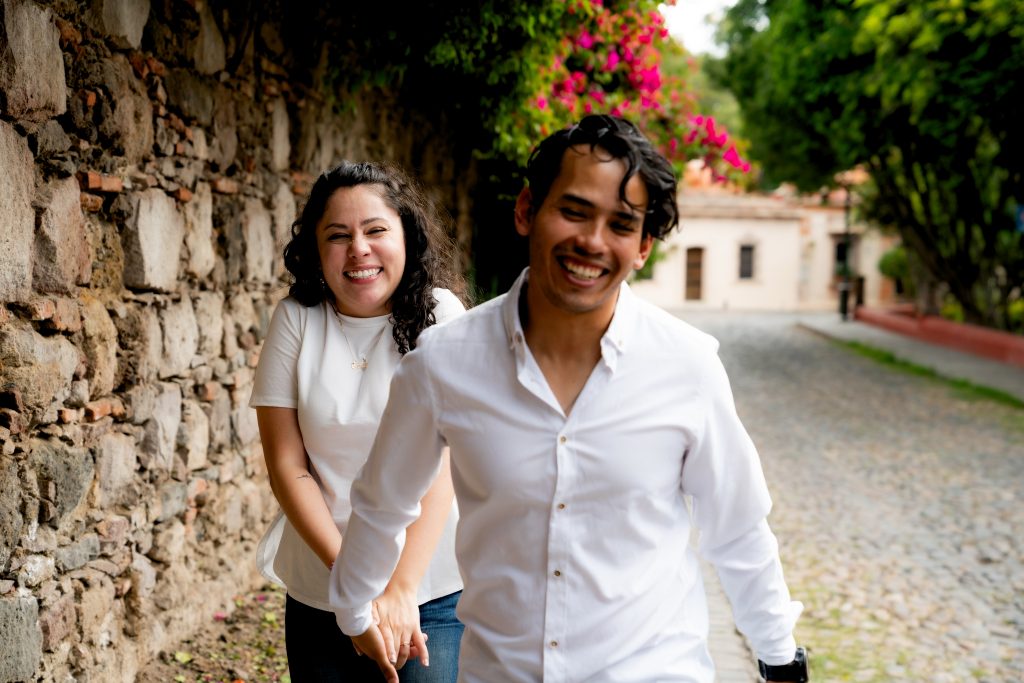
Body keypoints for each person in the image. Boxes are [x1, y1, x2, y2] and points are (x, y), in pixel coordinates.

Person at [329, 115, 808, 683]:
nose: (592, 241)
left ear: (643, 247)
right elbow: (383, 504)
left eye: (621, 224)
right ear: (527, 210)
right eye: (575, 211)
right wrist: (353, 610)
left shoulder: (688, 366)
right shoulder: (444, 363)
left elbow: (737, 529)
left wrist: (781, 661)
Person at [250, 160, 468, 682]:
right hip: (321, 583)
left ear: (406, 238)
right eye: (338, 235)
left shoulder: (441, 315)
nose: (359, 249)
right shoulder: (296, 319)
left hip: (430, 586)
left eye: (375, 231)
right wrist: (354, 586)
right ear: (315, 249)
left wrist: (400, 590)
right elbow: (288, 467)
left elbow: (445, 466)